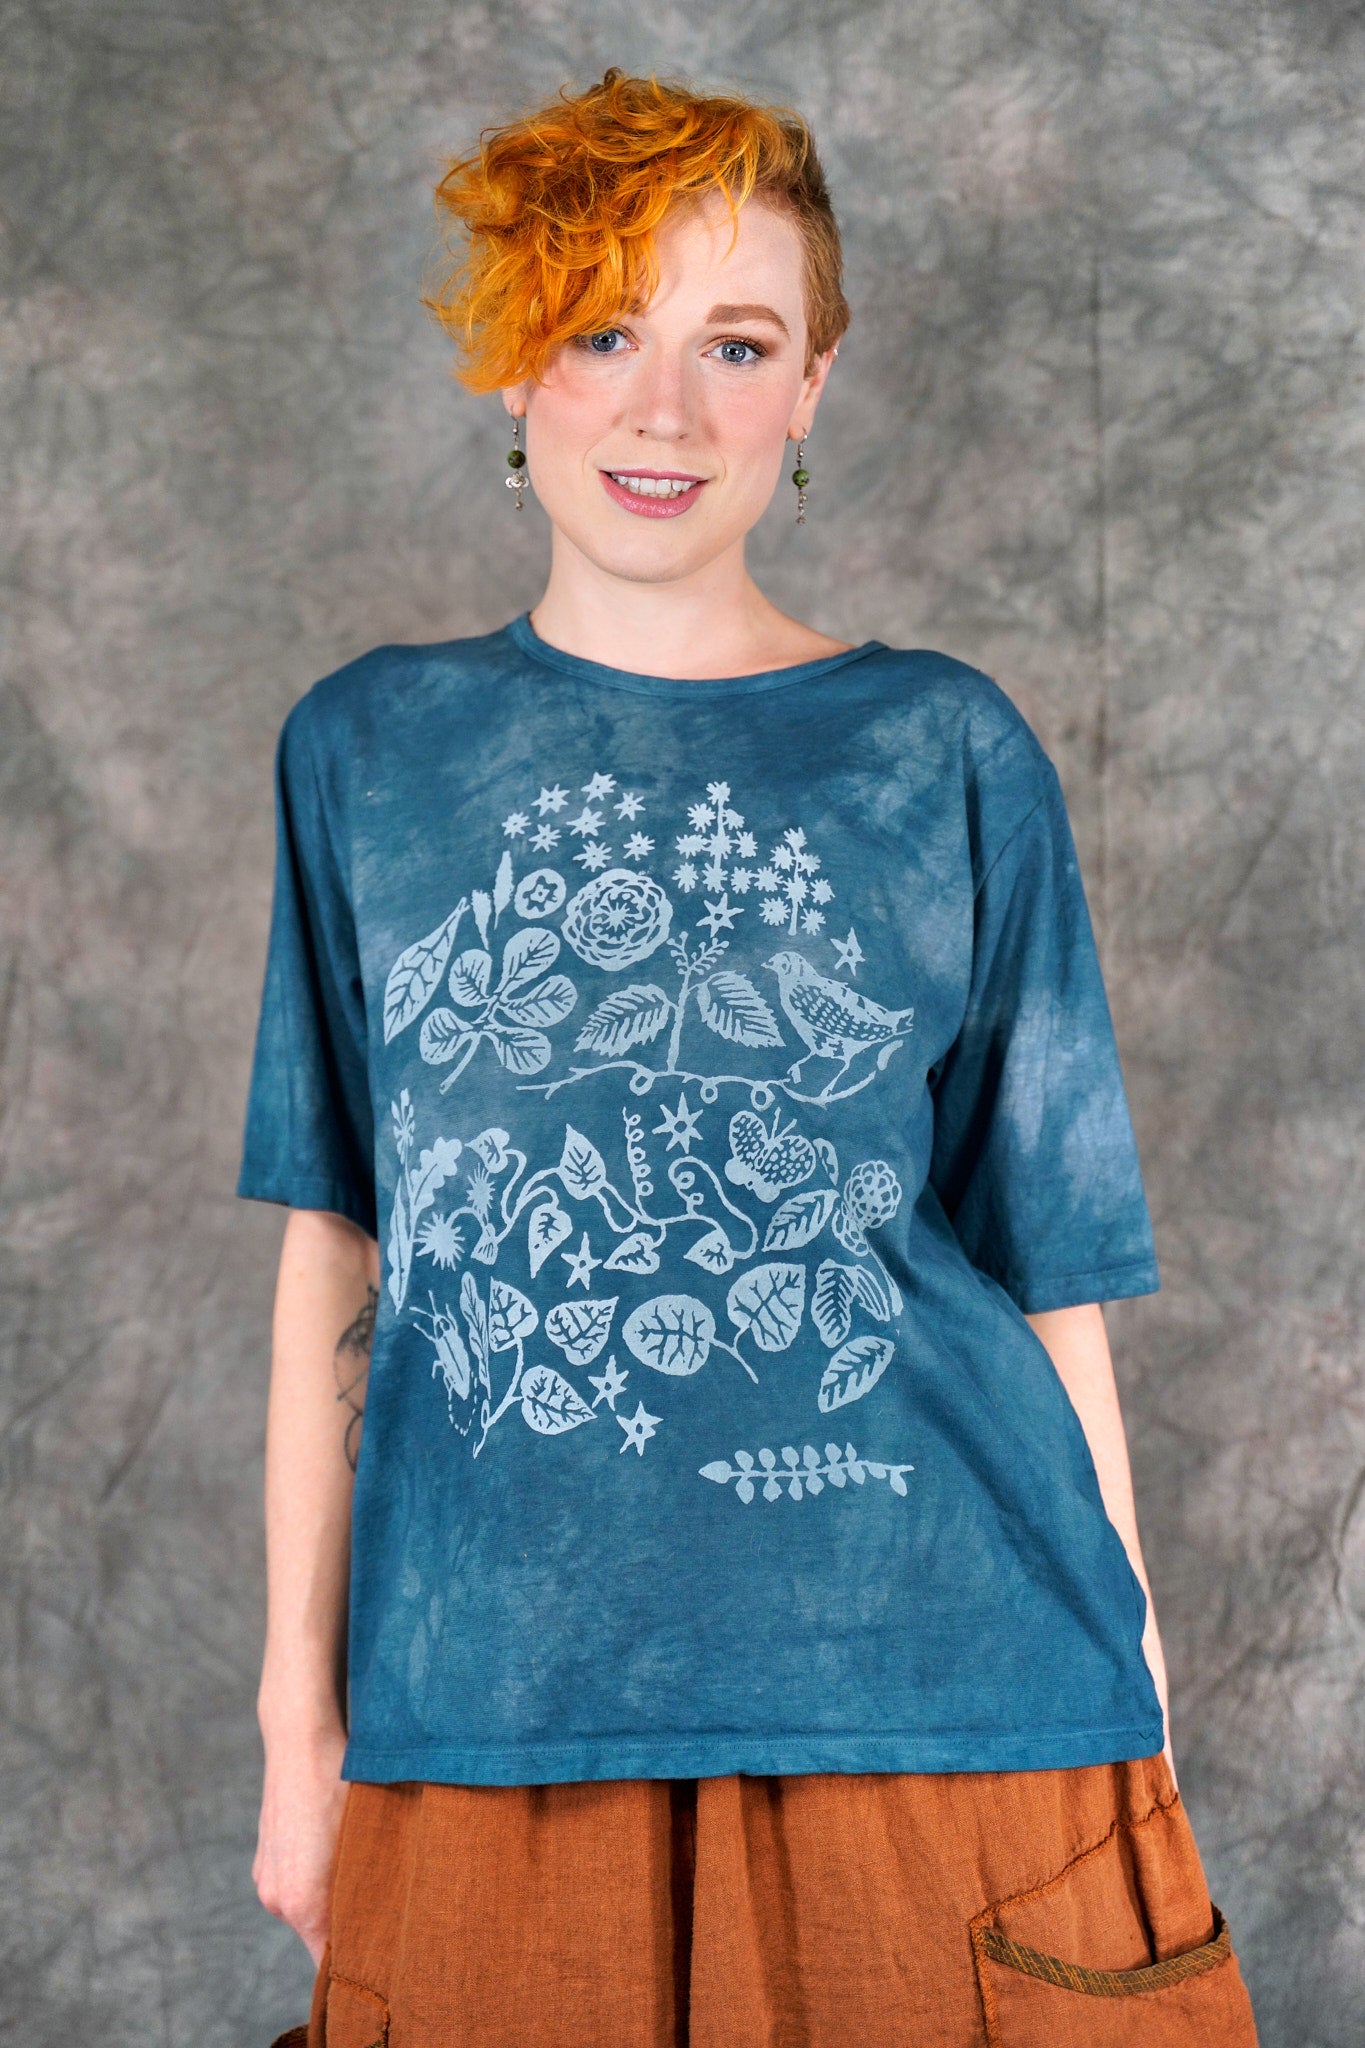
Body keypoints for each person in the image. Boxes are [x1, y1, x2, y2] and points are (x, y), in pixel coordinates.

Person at [239, 66, 1259, 2048]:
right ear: (515, 364)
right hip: (488, 1720)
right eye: (602, 332)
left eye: (737, 344)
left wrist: (1130, 1678)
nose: (666, 409)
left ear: (810, 392)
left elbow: (1047, 1271)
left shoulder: (946, 748)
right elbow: (340, 1250)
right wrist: (299, 1726)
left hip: (948, 1714)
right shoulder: (363, 753)